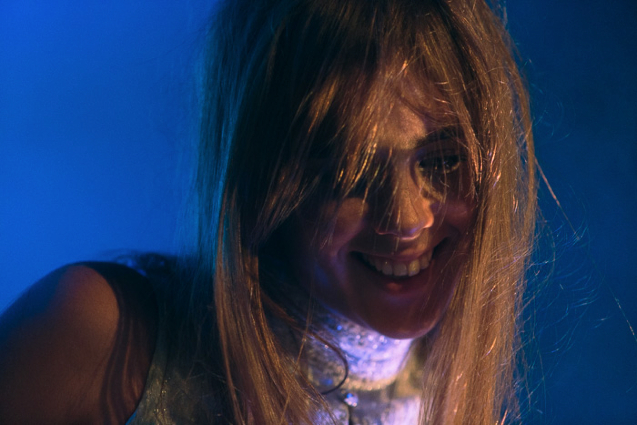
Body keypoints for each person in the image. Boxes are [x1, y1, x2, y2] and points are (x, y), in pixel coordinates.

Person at [0, 0, 537, 423]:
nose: (406, 219)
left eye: (443, 161)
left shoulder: (453, 385)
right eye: (347, 170)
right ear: (261, 179)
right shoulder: (100, 334)